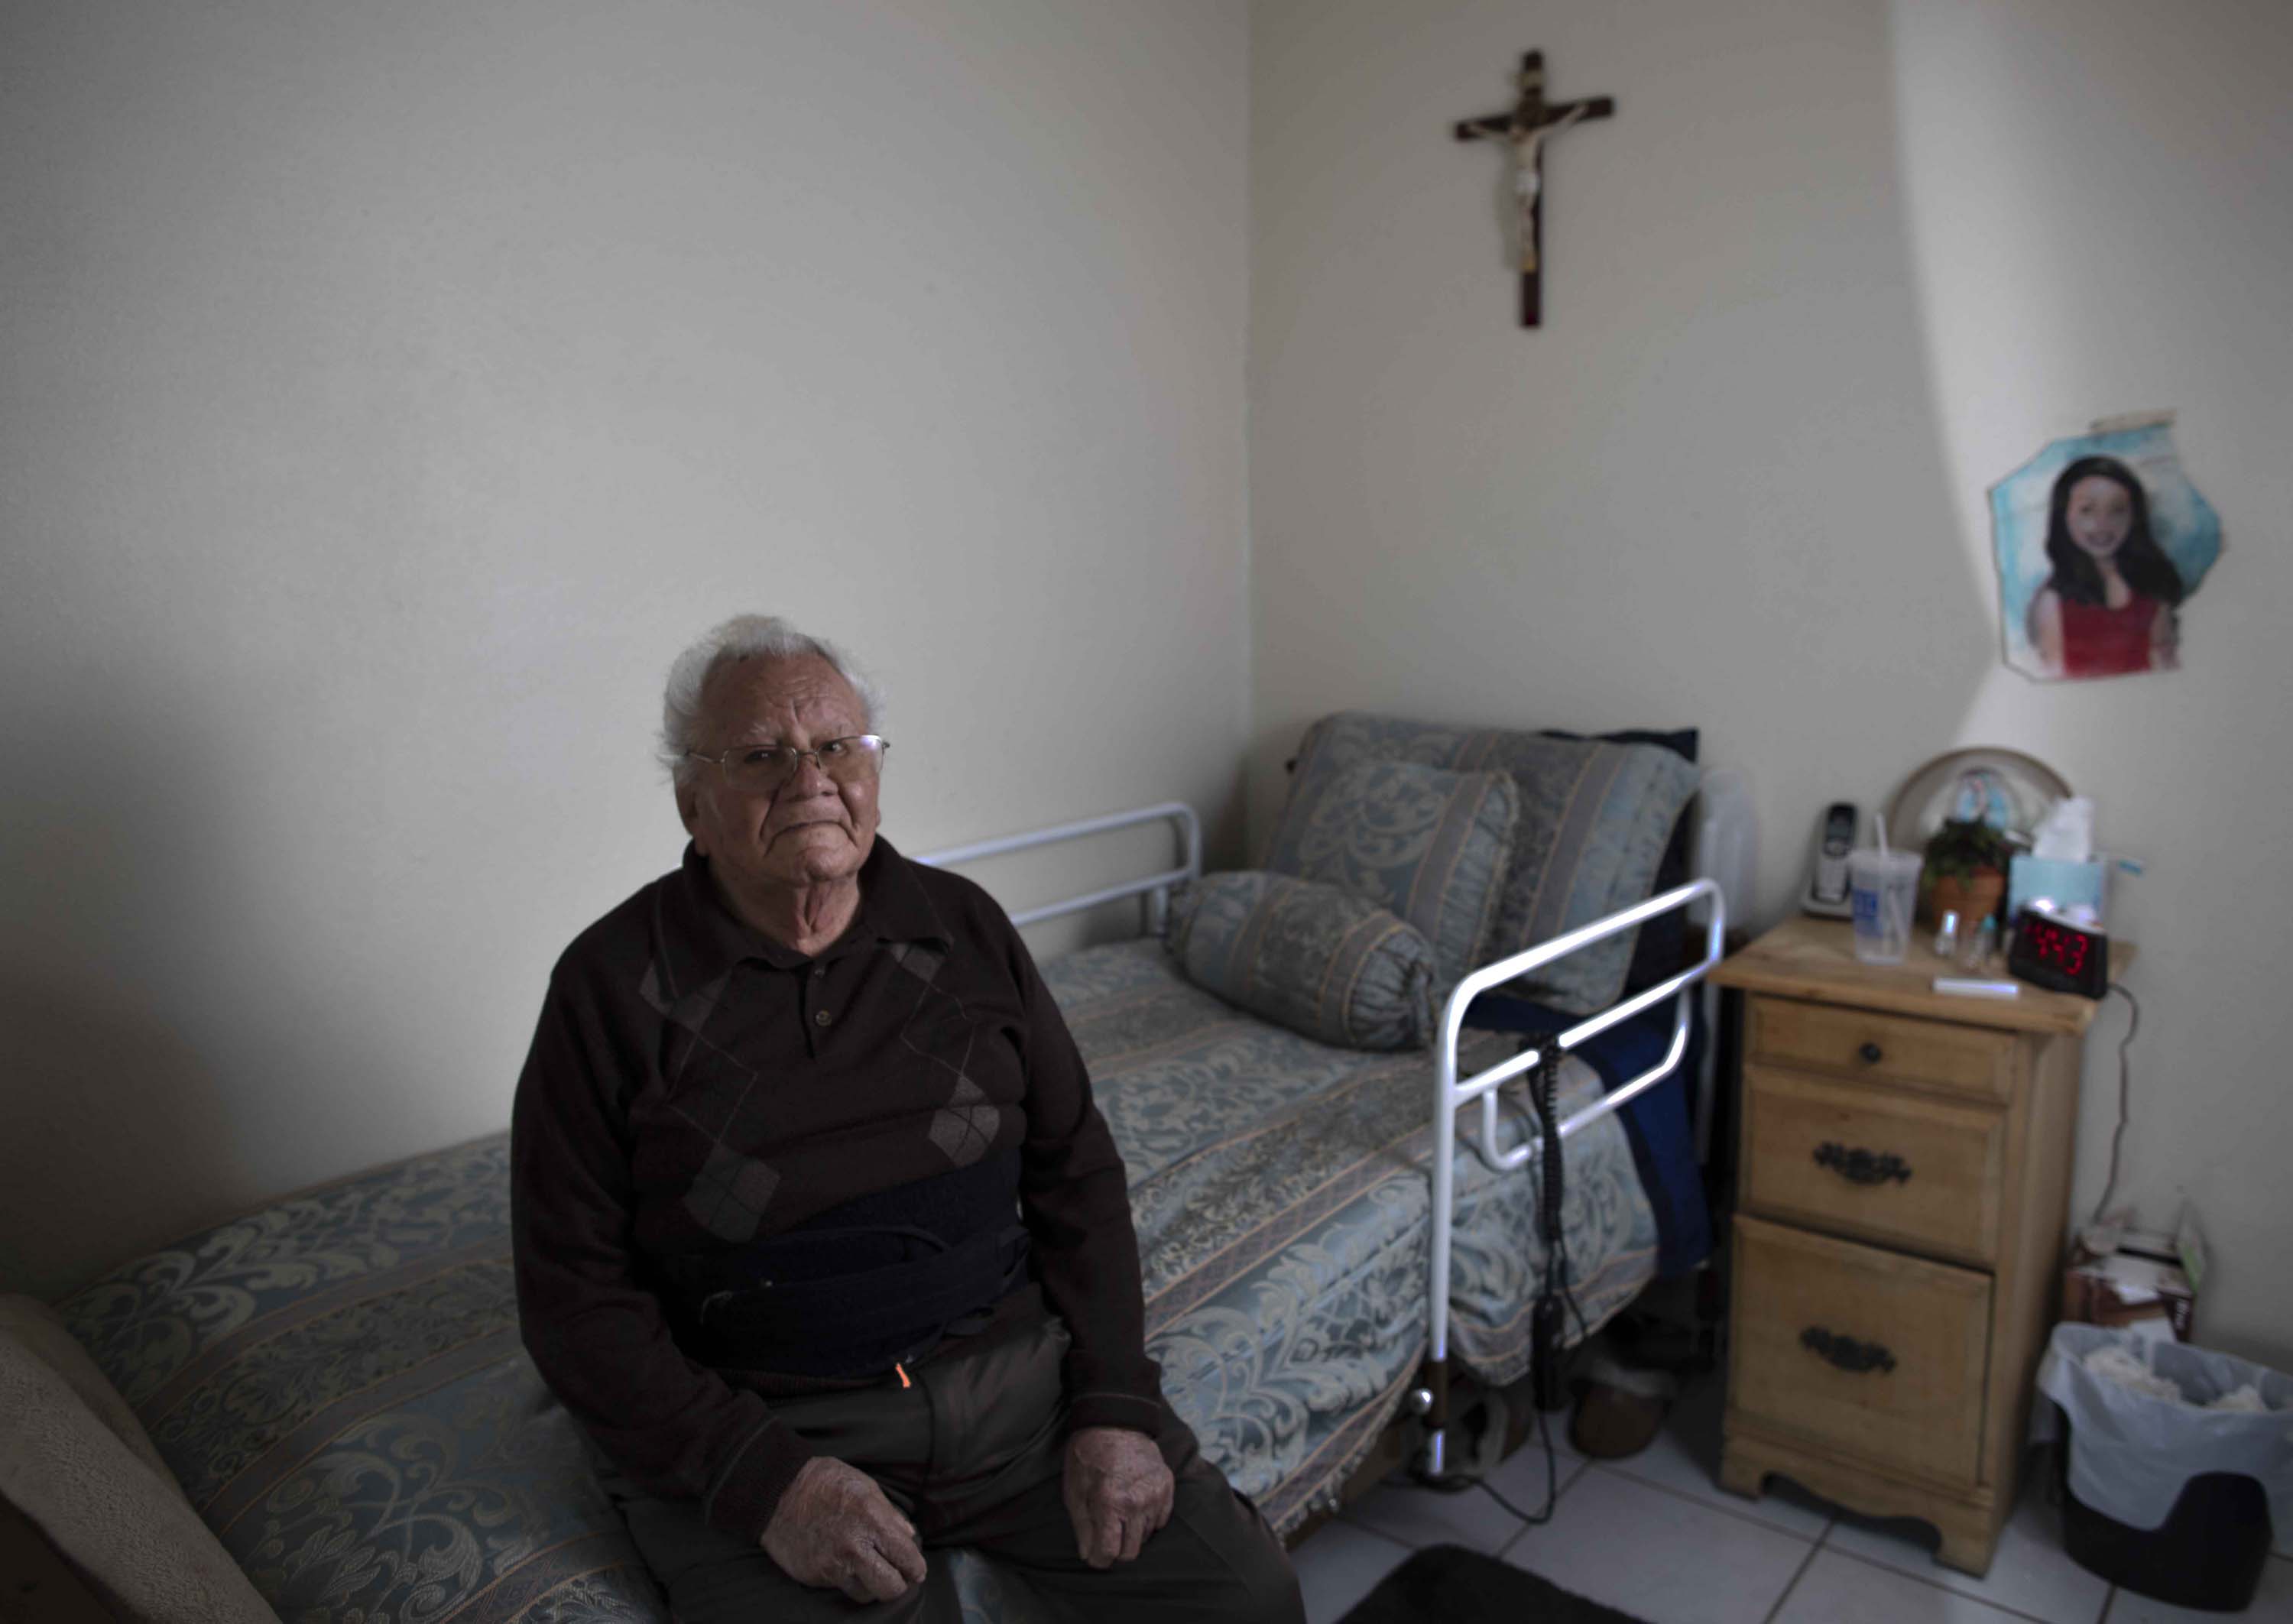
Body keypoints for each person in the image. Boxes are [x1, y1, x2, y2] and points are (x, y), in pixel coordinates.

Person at [511, 615, 1303, 1623]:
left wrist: (1114, 1405)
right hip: (772, 1424)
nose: (810, 780)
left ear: (873, 771)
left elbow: (1077, 1176)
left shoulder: (962, 926)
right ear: (693, 805)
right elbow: (572, 1296)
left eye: (837, 746)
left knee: (1247, 1601)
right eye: (761, 756)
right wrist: (768, 1484)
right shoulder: (609, 986)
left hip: (1018, 1392)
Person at [2026, 455, 2185, 678]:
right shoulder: (2052, 602)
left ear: (2134, 516)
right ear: (2064, 516)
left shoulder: (2153, 587)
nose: (2103, 524)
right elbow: (2052, 677)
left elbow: (2168, 667)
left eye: (2117, 510)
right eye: (2087, 510)